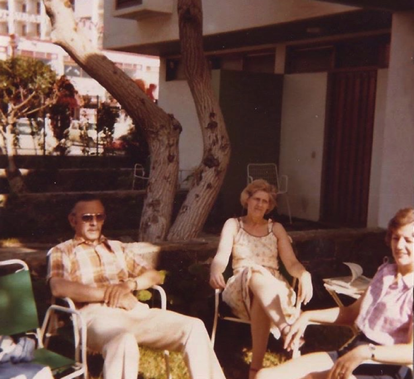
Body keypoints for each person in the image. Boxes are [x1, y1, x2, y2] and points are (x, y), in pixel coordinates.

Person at [47, 194, 226, 379]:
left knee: (193, 327)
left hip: (134, 311)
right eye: (87, 217)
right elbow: (58, 287)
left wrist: (128, 285)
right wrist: (107, 294)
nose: (94, 222)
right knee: (122, 340)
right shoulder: (62, 251)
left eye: (99, 216)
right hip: (95, 316)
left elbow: (154, 275)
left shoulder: (118, 248)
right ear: (72, 220)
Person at [256, 207, 414, 379]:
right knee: (265, 376)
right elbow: (352, 313)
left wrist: (367, 352)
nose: (399, 246)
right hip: (353, 353)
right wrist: (307, 316)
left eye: (408, 240)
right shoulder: (385, 273)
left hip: (385, 368)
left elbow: (411, 351)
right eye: (396, 238)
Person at [209, 179, 313, 378]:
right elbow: (221, 257)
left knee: (260, 296)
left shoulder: (276, 229)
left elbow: (291, 263)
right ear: (247, 200)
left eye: (265, 201)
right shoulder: (233, 225)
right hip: (241, 286)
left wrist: (304, 274)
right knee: (254, 273)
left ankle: (255, 370)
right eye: (256, 199)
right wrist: (215, 271)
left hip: (273, 290)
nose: (260, 204)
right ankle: (285, 328)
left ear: (269, 206)